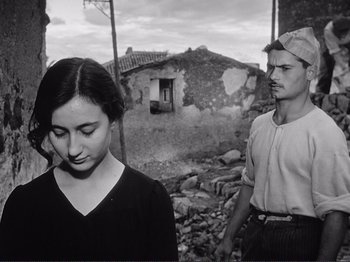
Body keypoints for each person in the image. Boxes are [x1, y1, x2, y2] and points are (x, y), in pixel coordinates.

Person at [0, 58, 178, 261]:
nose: (73, 149)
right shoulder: (24, 205)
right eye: (59, 133)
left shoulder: (150, 201)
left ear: (112, 118)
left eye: (87, 131)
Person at [215, 27, 350, 261]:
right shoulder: (259, 125)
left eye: (285, 68)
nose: (273, 76)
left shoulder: (325, 132)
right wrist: (228, 237)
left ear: (310, 73)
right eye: (270, 67)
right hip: (256, 234)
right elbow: (249, 185)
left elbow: (336, 211)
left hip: (298, 239)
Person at [316, 15, 350, 93]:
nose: (342, 36)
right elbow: (335, 54)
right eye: (340, 34)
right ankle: (320, 96)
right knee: (326, 69)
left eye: (344, 33)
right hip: (330, 45)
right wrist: (344, 68)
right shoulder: (328, 31)